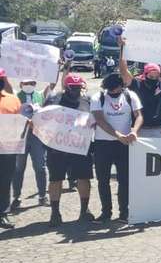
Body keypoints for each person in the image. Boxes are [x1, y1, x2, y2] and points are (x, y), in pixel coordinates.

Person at [43, 73, 96, 226]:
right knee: (55, 179)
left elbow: (95, 119)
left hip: (80, 147)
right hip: (57, 148)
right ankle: (55, 213)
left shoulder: (88, 100)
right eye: (73, 88)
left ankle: (84, 211)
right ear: (66, 87)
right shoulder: (53, 99)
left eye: (79, 87)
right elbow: (43, 119)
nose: (76, 90)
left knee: (84, 178)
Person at [90, 73, 144, 223]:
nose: (111, 92)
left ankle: (124, 213)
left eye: (114, 90)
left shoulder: (130, 95)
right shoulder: (98, 97)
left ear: (122, 86)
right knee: (103, 180)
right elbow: (99, 120)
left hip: (125, 144)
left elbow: (139, 115)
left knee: (124, 179)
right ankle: (106, 212)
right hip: (103, 143)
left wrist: (134, 130)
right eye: (109, 90)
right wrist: (118, 135)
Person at [118, 36, 161, 138]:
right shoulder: (136, 84)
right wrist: (122, 49)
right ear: (145, 74)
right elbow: (123, 71)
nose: (154, 79)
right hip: (140, 130)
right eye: (151, 76)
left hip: (160, 130)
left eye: (156, 76)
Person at [12, 78, 54, 209]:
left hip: (37, 136)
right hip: (20, 137)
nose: (29, 85)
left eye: (32, 83)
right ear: (21, 84)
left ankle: (42, 196)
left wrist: (59, 67)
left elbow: (52, 83)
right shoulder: (15, 96)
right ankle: (16, 197)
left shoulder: (40, 95)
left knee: (40, 167)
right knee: (18, 168)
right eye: (26, 83)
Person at [0, 68, 22, 229]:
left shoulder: (13, 100)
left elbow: (20, 122)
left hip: (7, 149)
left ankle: (3, 213)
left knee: (5, 181)